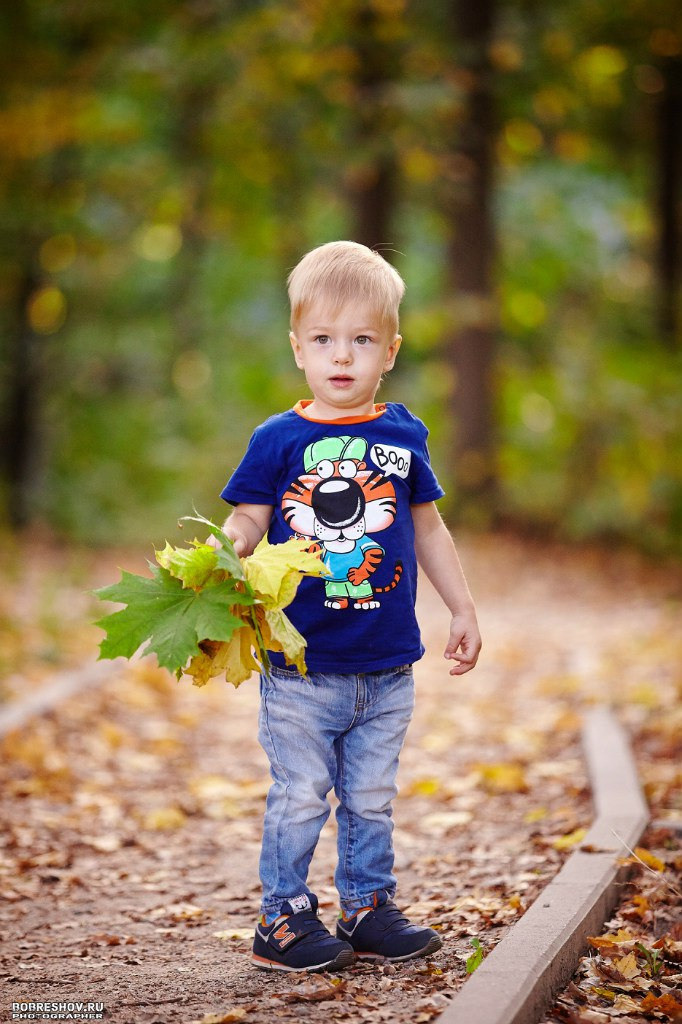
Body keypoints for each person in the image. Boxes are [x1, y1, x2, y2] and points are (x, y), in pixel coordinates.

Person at [218, 241, 481, 973]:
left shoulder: (401, 437)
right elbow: (247, 516)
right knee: (302, 794)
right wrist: (225, 548)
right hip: (301, 663)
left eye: (361, 340)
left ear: (389, 350)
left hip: (387, 662)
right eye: (325, 340)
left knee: (371, 797)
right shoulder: (279, 440)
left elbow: (427, 525)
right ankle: (282, 918)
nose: (343, 356)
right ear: (298, 347)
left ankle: (367, 906)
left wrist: (461, 606)